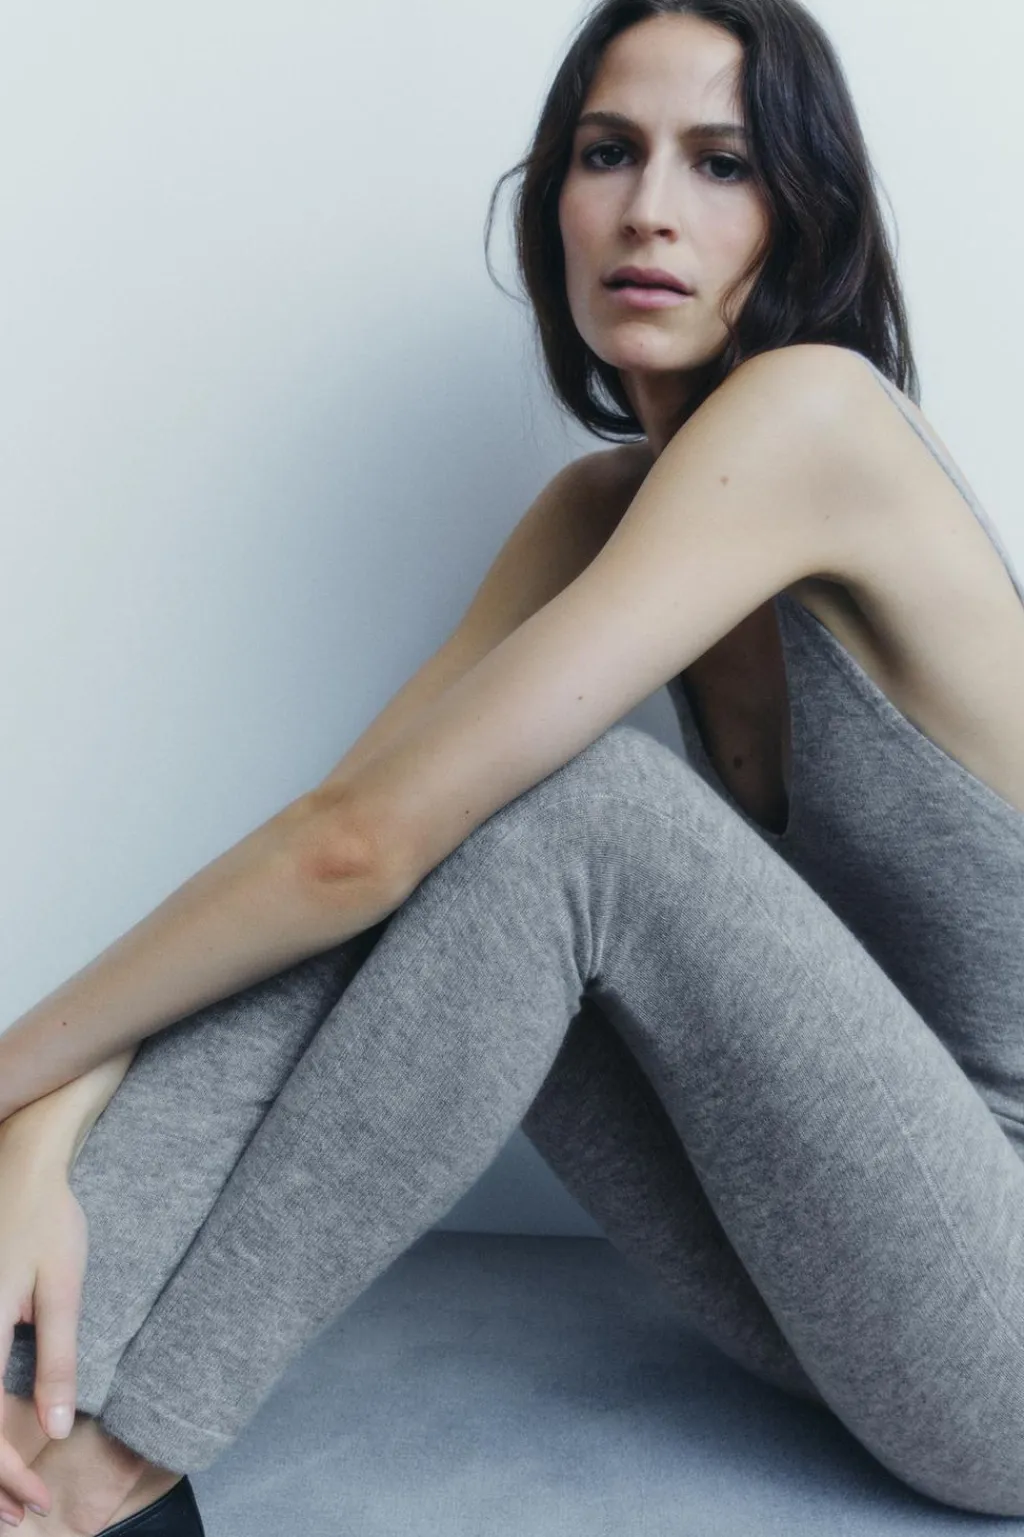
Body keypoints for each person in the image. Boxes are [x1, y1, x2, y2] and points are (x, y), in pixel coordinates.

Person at [2, 0, 1024, 1531]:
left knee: (575, 812)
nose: (649, 209)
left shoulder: (818, 419)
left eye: (721, 163)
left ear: (801, 214)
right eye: (608, 153)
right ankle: (29, 1400)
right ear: (554, 198)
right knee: (422, 841)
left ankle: (110, 1465)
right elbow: (337, 849)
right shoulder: (595, 513)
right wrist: (41, 1120)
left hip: (1004, 1338)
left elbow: (355, 843)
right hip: (833, 1289)